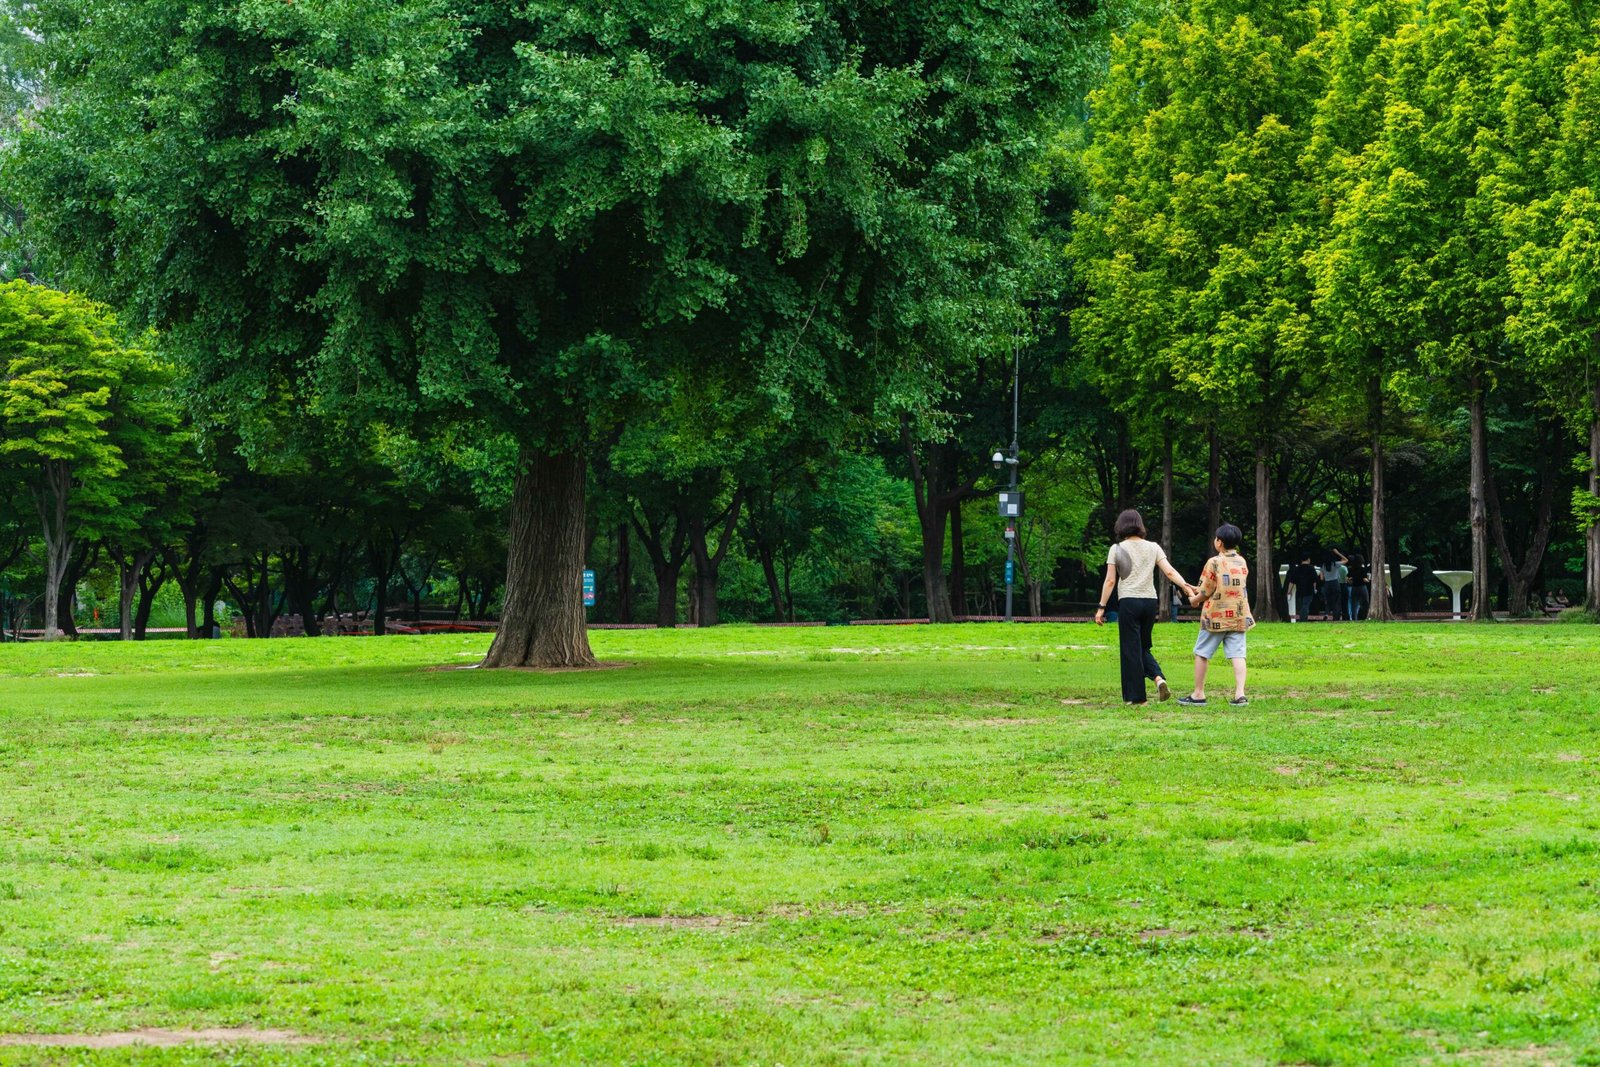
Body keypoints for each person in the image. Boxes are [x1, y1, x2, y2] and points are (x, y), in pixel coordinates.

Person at [1094, 509, 1195, 705]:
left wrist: (1101, 607)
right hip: (1150, 602)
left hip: (1129, 601)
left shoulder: (1116, 548)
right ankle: (1158, 679)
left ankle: (1137, 698)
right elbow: (1170, 572)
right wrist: (1186, 587)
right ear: (1139, 525)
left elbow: (1110, 581)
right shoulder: (1153, 547)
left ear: (1121, 526)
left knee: (1130, 649)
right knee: (1142, 646)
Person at [1178, 523, 1254, 707]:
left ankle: (1198, 694)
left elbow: (1206, 590)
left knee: (1202, 653)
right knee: (1238, 654)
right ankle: (1240, 694)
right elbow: (1225, 586)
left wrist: (1194, 599)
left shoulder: (1214, 562)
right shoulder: (1241, 561)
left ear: (1219, 542)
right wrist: (1198, 590)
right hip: (1238, 615)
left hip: (1215, 617)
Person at [1286, 552, 1319, 622]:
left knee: (1301, 607)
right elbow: (1314, 580)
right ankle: (1303, 620)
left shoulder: (1297, 569)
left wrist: (1289, 591)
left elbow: (1292, 581)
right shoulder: (1311, 568)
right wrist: (1314, 589)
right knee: (1306, 606)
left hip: (1299, 591)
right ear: (1308, 559)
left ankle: (1302, 619)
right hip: (1309, 590)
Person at [1321, 548, 1348, 621]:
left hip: (1327, 584)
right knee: (1336, 601)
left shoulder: (1323, 566)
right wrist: (1338, 553)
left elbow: (1322, 578)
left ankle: (1326, 614)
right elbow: (1346, 560)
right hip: (1335, 583)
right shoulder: (1335, 564)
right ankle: (1336, 617)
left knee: (1327, 600)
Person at [1347, 552, 1370, 620]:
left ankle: (1354, 618)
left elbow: (1348, 578)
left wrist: (1351, 581)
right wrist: (1369, 580)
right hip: (1362, 587)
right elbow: (1364, 579)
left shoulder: (1352, 569)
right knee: (1365, 602)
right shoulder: (1362, 569)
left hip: (1354, 587)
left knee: (1354, 604)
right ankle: (1365, 616)